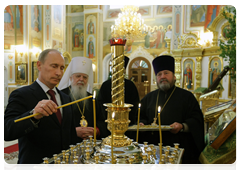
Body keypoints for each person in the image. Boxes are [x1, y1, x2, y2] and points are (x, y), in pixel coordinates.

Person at [4, 49, 77, 170]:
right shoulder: (21, 94)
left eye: (62, 68)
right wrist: (33, 115)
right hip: (34, 166)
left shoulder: (66, 98)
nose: (59, 72)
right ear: (39, 65)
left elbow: (70, 135)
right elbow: (7, 130)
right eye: (54, 66)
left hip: (63, 166)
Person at [139, 55, 205, 170]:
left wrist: (182, 126)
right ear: (156, 78)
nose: (162, 77)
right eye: (159, 74)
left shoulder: (187, 97)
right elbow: (141, 116)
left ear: (174, 76)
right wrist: (141, 123)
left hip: (178, 148)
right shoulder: (148, 98)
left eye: (166, 73)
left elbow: (196, 120)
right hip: (153, 150)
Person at [58, 57, 108, 142]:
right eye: (78, 76)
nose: (81, 79)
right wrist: (73, 132)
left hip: (90, 144)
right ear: (70, 78)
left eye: (85, 77)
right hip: (69, 144)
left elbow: (103, 122)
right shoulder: (61, 96)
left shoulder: (92, 99)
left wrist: (96, 131)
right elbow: (57, 125)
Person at [97, 56, 140, 138]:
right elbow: (100, 105)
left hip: (127, 125)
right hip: (108, 126)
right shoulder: (105, 85)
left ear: (124, 70)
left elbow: (135, 105)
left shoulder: (130, 85)